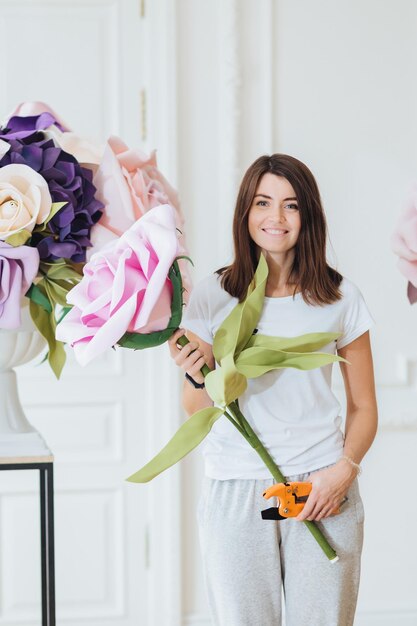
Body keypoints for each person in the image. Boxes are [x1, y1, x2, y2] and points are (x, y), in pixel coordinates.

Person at [168, 154, 378, 626]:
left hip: (322, 488)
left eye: (291, 205)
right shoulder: (212, 294)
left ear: (309, 216)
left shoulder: (341, 298)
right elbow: (197, 408)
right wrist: (193, 374)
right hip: (236, 486)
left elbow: (364, 406)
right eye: (263, 203)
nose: (276, 218)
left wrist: (343, 473)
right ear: (246, 212)